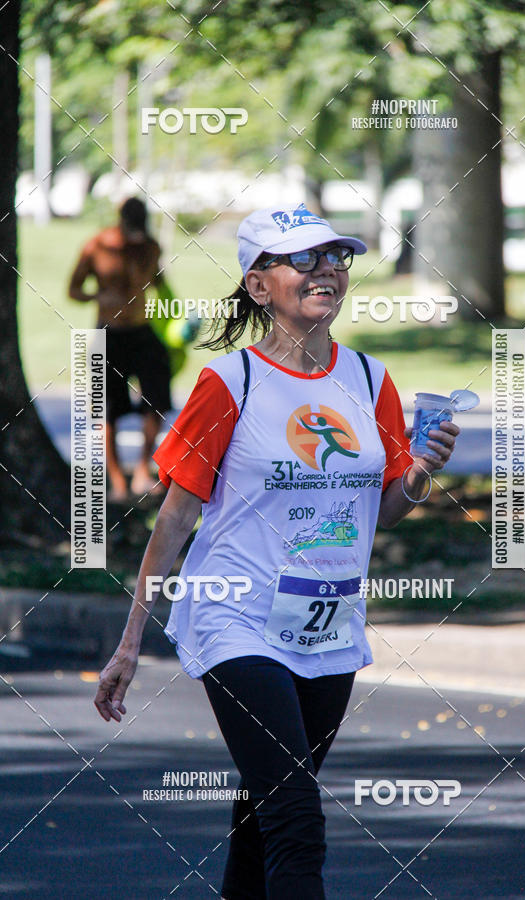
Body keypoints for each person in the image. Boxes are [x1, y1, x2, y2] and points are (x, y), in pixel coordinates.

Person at [93, 202, 460, 898]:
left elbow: (380, 511)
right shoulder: (229, 384)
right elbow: (173, 522)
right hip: (234, 618)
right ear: (260, 286)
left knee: (265, 816)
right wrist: (129, 642)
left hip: (326, 622)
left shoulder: (370, 380)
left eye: (335, 257)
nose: (325, 270)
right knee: (296, 816)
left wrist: (418, 474)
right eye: (303, 259)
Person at [68, 197, 172, 500]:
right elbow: (73, 290)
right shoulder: (97, 246)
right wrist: (98, 296)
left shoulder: (151, 248)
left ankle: (142, 470)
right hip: (108, 333)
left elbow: (159, 282)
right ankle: (117, 481)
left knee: (157, 397)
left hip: (142, 331)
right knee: (106, 408)